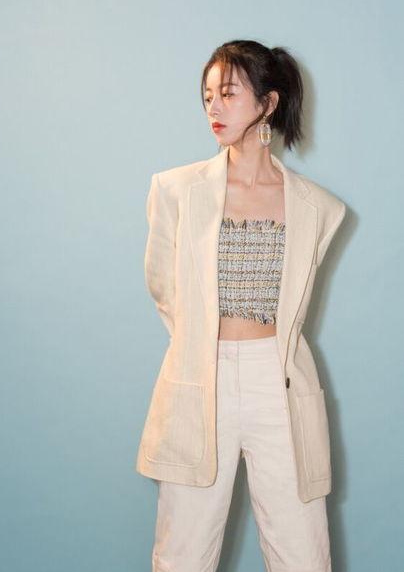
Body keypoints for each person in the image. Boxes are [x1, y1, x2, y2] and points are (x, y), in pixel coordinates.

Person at [135, 39, 347, 572]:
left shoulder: (318, 207)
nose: (214, 106)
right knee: (183, 552)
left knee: (303, 553)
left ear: (268, 103)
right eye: (208, 95)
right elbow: (165, 289)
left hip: (280, 382)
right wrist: (201, 344)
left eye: (228, 93)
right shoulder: (175, 190)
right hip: (198, 378)